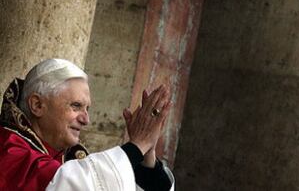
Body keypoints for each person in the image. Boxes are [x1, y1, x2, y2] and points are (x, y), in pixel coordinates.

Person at [0, 58, 174, 190]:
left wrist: (146, 156)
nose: (86, 120)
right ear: (38, 105)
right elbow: (71, 184)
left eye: (87, 109)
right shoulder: (9, 149)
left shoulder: (65, 156)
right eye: (76, 106)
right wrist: (138, 145)